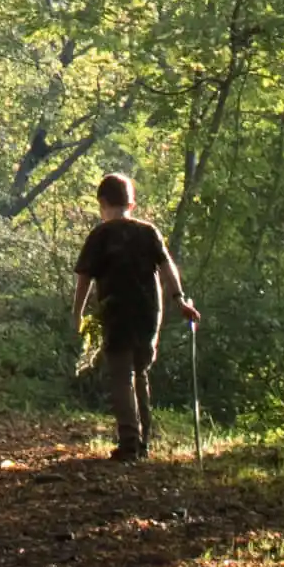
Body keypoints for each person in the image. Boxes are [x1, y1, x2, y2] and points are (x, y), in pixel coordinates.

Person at [72, 171, 194, 461]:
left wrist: (77, 313)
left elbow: (84, 277)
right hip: (149, 312)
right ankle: (144, 441)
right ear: (132, 204)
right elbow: (167, 267)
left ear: (102, 203)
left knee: (121, 375)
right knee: (140, 372)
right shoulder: (148, 232)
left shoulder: (101, 235)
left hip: (116, 311)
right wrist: (179, 299)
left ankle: (129, 442)